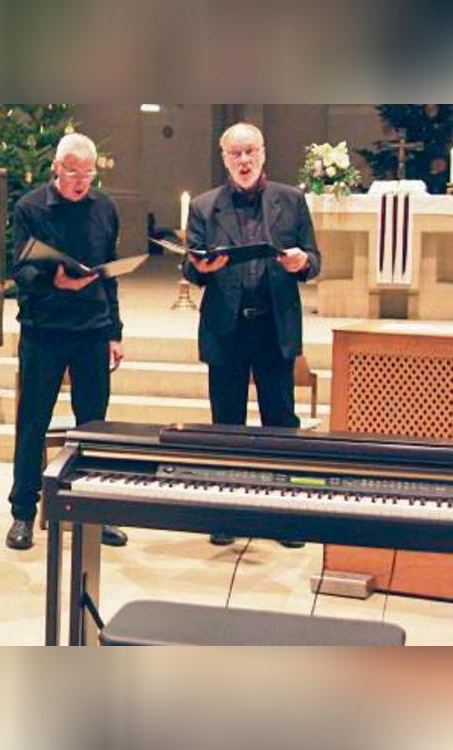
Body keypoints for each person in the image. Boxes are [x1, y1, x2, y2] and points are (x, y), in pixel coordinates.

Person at [181, 122, 321, 547]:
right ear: (224, 158)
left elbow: (314, 258)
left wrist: (302, 263)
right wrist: (199, 269)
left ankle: (285, 516)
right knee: (226, 423)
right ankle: (226, 514)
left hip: (273, 325)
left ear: (263, 154)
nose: (244, 160)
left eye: (251, 152)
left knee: (280, 422)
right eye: (235, 153)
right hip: (228, 326)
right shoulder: (205, 207)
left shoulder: (291, 200)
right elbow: (191, 266)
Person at [5, 133, 128, 551]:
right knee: (33, 421)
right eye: (73, 172)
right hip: (44, 331)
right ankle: (23, 512)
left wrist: (115, 331)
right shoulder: (30, 208)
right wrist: (52, 280)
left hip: (92, 329)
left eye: (88, 172)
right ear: (56, 168)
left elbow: (109, 274)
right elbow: (19, 271)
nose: (80, 181)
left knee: (94, 425)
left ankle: (95, 511)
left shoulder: (105, 208)